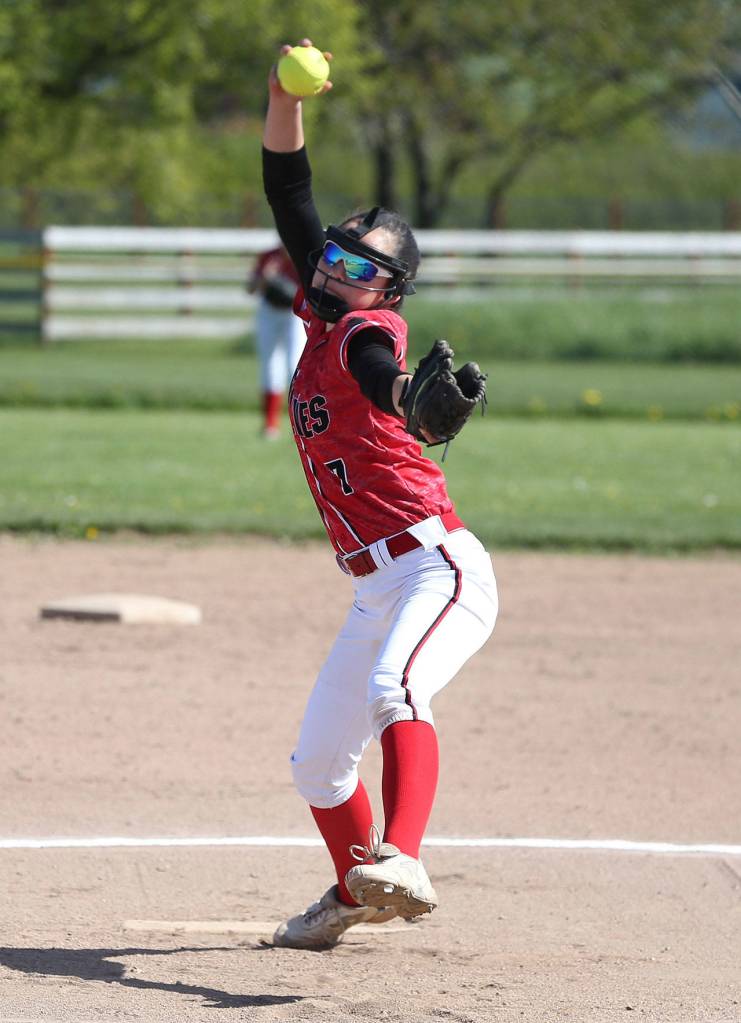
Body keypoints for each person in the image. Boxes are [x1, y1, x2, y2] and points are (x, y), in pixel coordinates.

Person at [263, 40, 498, 949]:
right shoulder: (322, 301)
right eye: (333, 253)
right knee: (318, 767)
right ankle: (352, 892)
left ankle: (401, 857)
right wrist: (282, 96)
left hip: (437, 569)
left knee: (397, 685)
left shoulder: (366, 326)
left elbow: (377, 372)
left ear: (390, 289)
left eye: (361, 264)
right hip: (375, 583)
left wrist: (404, 396)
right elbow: (288, 187)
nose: (336, 267)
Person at [247, 244, 304, 438]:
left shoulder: (302, 254)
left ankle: (303, 425)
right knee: (270, 365)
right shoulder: (269, 256)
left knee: (294, 365)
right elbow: (250, 289)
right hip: (269, 311)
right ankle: (270, 425)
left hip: (294, 312)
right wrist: (265, 277)